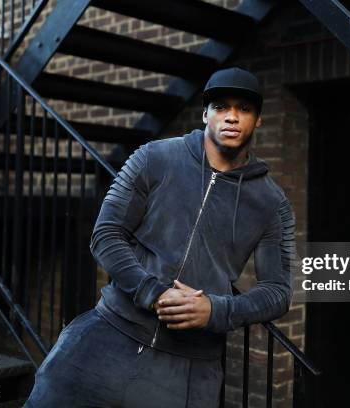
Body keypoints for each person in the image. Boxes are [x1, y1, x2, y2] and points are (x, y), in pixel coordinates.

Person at [23, 67, 296, 408]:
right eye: (221, 106)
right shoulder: (155, 157)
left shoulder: (272, 203)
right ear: (205, 114)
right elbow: (106, 234)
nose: (231, 117)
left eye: (244, 109)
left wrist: (215, 310)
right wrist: (152, 292)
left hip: (189, 369)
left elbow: (278, 293)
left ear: (257, 120)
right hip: (108, 338)